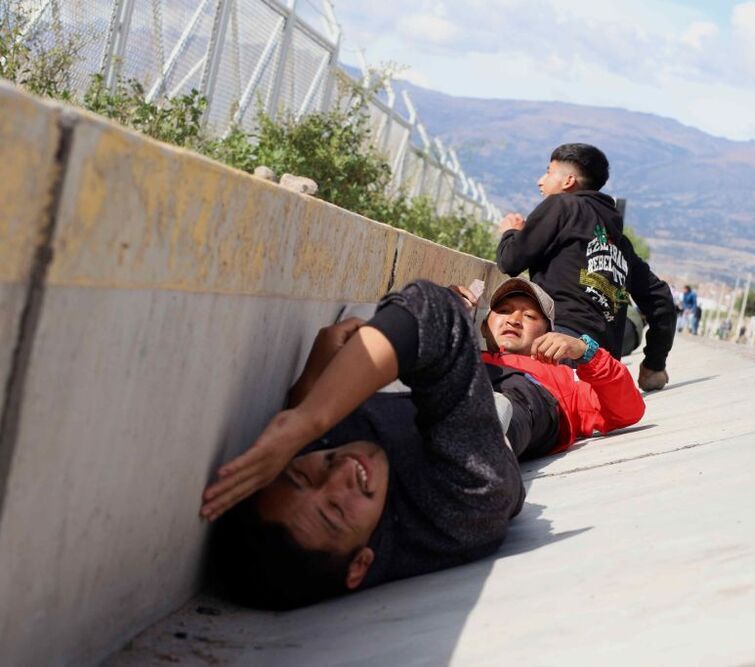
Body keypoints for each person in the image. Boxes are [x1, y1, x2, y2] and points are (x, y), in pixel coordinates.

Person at [202, 281, 525, 609]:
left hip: (419, 399)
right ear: (360, 564)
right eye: (336, 510)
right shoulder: (470, 499)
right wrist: (309, 417)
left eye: (302, 475)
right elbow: (437, 314)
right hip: (503, 411)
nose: (341, 469)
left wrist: (310, 385)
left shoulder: (315, 505)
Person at [495, 143, 676, 391]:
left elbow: (510, 261)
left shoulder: (561, 205)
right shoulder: (621, 244)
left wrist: (510, 233)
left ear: (568, 181)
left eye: (548, 172)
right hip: (602, 370)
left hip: (557, 348)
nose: (540, 181)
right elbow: (661, 300)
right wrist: (654, 365)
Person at [454, 277, 646, 460]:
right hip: (460, 386)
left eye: (529, 315)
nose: (513, 320)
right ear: (484, 327)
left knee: (518, 396)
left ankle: (485, 435)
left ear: (547, 334)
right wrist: (446, 305)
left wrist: (586, 351)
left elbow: (628, 411)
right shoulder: (465, 354)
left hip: (515, 407)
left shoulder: (563, 379)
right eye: (504, 311)